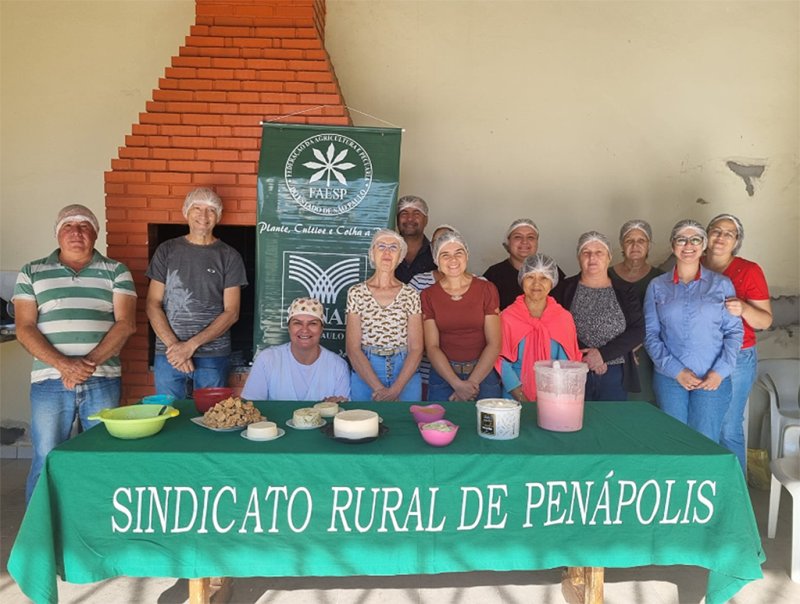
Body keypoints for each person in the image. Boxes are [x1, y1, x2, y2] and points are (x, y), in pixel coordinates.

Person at [13, 204, 137, 501]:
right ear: (57, 234)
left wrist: (86, 364)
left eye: (84, 225)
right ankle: (39, 534)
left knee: (101, 454)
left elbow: (125, 324)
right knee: (47, 457)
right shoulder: (32, 272)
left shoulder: (116, 271)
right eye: (68, 226)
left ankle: (95, 522)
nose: (76, 232)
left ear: (96, 233)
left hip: (102, 378)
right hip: (49, 382)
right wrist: (64, 366)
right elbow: (25, 328)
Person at [644, 219, 744, 443]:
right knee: (673, 440)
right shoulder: (657, 286)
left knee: (705, 441)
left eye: (695, 239)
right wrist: (676, 370)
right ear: (673, 245)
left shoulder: (721, 284)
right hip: (670, 378)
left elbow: (733, 332)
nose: (688, 245)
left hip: (712, 378)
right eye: (681, 239)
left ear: (704, 245)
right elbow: (651, 335)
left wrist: (720, 371)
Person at [146, 187, 247, 399]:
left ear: (218, 216)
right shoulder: (166, 250)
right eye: (197, 208)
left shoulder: (229, 256)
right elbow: (152, 304)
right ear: (186, 212)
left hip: (213, 355)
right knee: (167, 415)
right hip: (169, 354)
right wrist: (176, 348)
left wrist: (190, 346)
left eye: (211, 210)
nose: (203, 215)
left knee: (212, 419)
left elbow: (232, 312)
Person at [703, 213, 772, 471]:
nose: (721, 238)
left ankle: (737, 499)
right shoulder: (693, 264)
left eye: (728, 233)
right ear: (707, 235)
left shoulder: (749, 271)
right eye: (716, 231)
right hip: (701, 356)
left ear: (736, 241)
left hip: (738, 357)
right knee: (704, 425)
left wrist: (742, 308)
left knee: (728, 427)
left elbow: (765, 321)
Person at [553, 231, 644, 401]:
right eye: (586, 252)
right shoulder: (564, 288)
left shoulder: (626, 290)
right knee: (575, 420)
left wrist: (602, 355)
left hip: (615, 372)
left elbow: (637, 330)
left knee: (611, 423)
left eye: (599, 252)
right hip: (574, 368)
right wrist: (586, 357)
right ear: (578, 257)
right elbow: (555, 326)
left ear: (609, 257)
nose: (592, 257)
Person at [421, 231, 502, 401]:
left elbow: (494, 343)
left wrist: (471, 383)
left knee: (487, 426)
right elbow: (432, 347)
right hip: (444, 377)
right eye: (445, 255)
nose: (453, 260)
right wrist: (457, 384)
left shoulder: (487, 289)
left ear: (467, 255)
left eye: (458, 253)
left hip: (483, 375)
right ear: (436, 260)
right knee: (441, 426)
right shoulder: (428, 295)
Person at [346, 229, 423, 401]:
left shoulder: (411, 294)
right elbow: (352, 348)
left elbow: (416, 348)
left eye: (393, 247)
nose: (387, 252)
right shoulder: (356, 293)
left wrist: (395, 390)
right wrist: (379, 389)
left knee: (404, 425)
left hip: (404, 370)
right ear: (372, 253)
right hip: (367, 368)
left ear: (401, 255)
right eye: (381, 246)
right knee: (364, 424)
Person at [497, 253, 581, 402]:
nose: (536, 284)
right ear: (522, 280)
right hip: (513, 395)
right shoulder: (507, 316)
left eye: (543, 278)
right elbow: (500, 359)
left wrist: (551, 395)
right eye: (530, 277)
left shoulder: (563, 318)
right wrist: (519, 393)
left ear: (552, 282)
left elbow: (566, 363)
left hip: (553, 395)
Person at [241, 297, 349, 401]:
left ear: (322, 329)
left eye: (313, 324)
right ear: (289, 327)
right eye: (297, 323)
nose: (305, 330)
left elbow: (343, 413)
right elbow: (250, 406)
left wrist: (336, 405)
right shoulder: (267, 360)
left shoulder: (338, 366)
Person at [609, 219, 664, 403]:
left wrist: (636, 343)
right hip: (611, 351)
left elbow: (665, 320)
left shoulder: (660, 279)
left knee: (644, 407)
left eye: (641, 240)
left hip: (647, 354)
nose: (635, 245)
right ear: (621, 244)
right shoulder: (605, 275)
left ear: (649, 245)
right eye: (629, 240)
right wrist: (622, 347)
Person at [484, 218, 566, 310]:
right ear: (508, 241)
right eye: (517, 237)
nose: (524, 241)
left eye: (530, 237)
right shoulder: (493, 274)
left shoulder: (552, 271)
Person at [394, 195, 436, 284]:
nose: (410, 218)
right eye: (404, 213)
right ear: (397, 220)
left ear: (426, 220)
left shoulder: (436, 253)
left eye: (416, 213)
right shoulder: (386, 252)